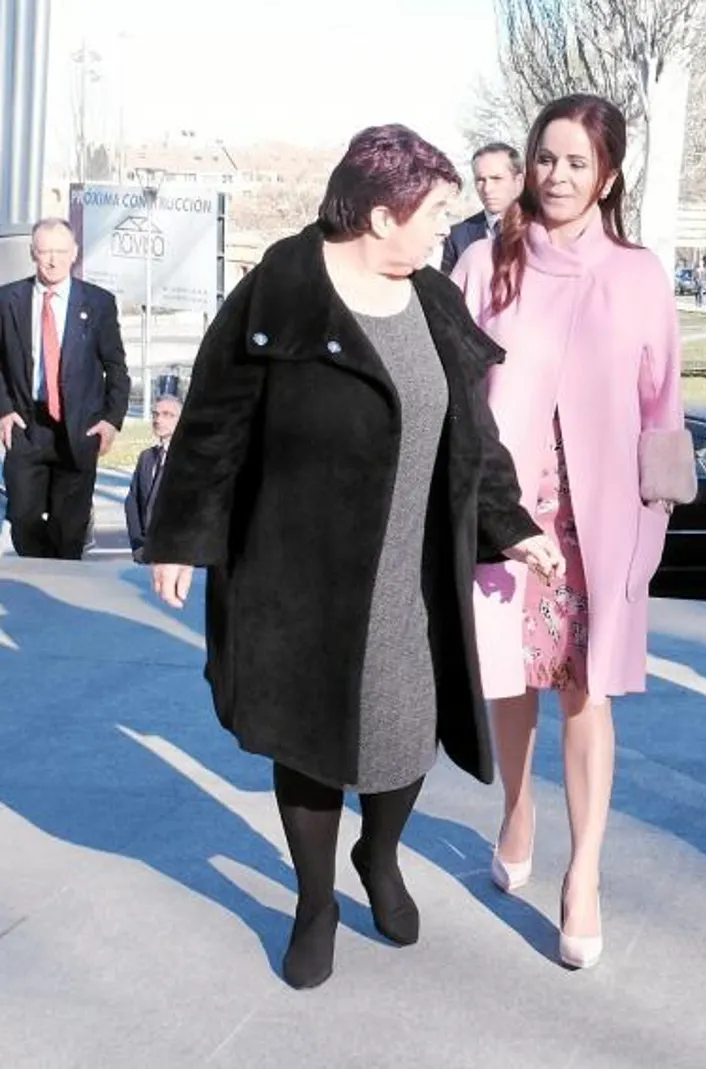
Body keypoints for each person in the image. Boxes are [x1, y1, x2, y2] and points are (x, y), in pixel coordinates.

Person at [143, 124, 564, 991]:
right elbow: (215, 417)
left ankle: (378, 854)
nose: (447, 229)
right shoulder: (282, 293)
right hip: (298, 572)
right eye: (435, 212)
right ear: (381, 214)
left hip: (413, 573)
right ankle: (314, 902)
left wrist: (511, 522)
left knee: (404, 736)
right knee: (307, 741)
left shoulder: (434, 300)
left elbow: (472, 438)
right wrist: (184, 533)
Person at [452, 93, 686, 971]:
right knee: (510, 679)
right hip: (509, 516)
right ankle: (518, 805)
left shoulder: (640, 274)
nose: (556, 176)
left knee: (587, 690)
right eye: (544, 158)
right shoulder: (485, 264)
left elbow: (663, 407)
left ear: (609, 174)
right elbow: (458, 395)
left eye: (576, 162)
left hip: (604, 520)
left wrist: (654, 521)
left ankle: (583, 873)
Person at [0, 218, 130, 559]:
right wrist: (4, 408)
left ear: (74, 253)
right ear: (33, 253)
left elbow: (116, 367)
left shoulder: (98, 303)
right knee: (22, 518)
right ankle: (42, 569)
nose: (53, 260)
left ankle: (57, 581)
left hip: (79, 429)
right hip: (27, 426)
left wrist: (111, 420)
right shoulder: (8, 299)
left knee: (68, 530)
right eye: (44, 252)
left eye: (60, 251)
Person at [441, 142, 524, 275]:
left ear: (518, 182)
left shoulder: (542, 229)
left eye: (496, 178)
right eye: (480, 180)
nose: (487, 189)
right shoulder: (457, 237)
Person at [123, 392, 181, 562]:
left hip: (177, 555)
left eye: (167, 415)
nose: (158, 420)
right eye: (155, 414)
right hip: (146, 553)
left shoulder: (190, 460)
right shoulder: (147, 457)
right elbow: (132, 501)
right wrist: (138, 545)